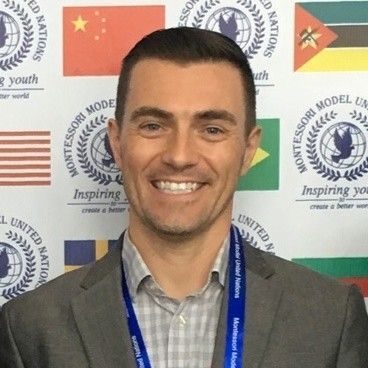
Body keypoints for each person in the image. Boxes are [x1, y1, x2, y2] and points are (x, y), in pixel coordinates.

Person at [0, 27, 367, 368]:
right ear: (116, 142)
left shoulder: (330, 318)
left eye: (211, 129)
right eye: (153, 126)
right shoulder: (29, 328)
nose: (179, 155)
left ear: (248, 150)